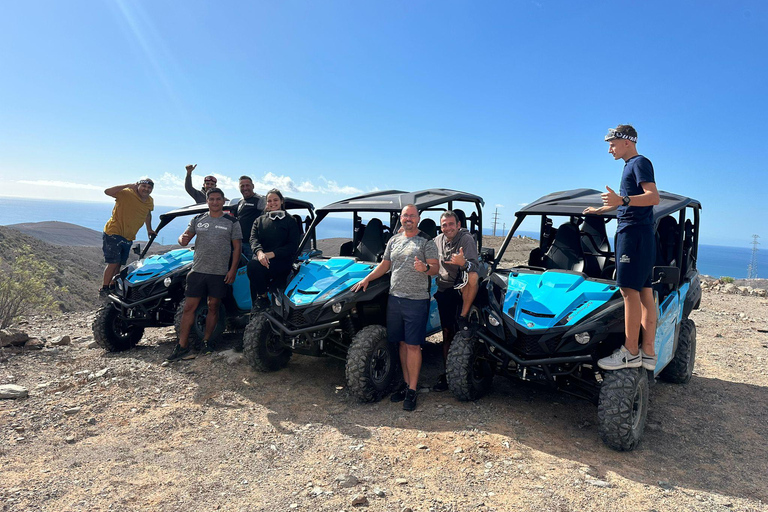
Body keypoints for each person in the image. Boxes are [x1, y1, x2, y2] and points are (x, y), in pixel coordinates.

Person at [583, 124, 660, 371]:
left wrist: (622, 200)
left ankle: (630, 351)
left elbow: (652, 197)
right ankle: (647, 352)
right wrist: (603, 209)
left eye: (612, 144)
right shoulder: (632, 166)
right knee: (645, 292)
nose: (609, 150)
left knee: (629, 292)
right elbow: (630, 203)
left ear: (627, 141)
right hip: (641, 235)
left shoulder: (639, 163)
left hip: (633, 234)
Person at [352, 204, 439, 412]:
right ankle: (405, 384)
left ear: (418, 218)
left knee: (413, 345)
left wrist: (424, 268)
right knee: (400, 343)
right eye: (405, 215)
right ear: (401, 218)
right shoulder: (394, 240)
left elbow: (435, 268)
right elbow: (385, 265)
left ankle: (413, 389)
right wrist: (367, 279)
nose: (408, 218)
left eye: (412, 215)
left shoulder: (426, 241)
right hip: (396, 298)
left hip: (417, 300)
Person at [166, 188, 242, 362]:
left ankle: (207, 341)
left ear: (223, 201)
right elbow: (184, 236)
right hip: (197, 271)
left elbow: (237, 247)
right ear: (207, 201)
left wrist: (232, 270)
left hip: (219, 272)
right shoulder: (198, 219)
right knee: (188, 308)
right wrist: (181, 239)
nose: (215, 202)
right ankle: (182, 346)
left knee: (213, 306)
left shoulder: (232, 221)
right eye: (211, 199)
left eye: (218, 199)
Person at [431, 211, 480, 391]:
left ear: (458, 225)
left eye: (451, 224)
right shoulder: (437, 241)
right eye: (444, 225)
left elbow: (475, 266)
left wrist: (463, 263)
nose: (448, 228)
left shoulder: (466, 239)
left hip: (463, 287)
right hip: (445, 290)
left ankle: (464, 315)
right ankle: (448, 373)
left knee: (462, 333)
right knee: (447, 333)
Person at [247, 189, 300, 312]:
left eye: (275, 200)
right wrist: (259, 253)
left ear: (281, 201)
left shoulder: (290, 221)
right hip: (262, 261)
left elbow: (292, 245)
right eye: (269, 201)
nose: (272, 203)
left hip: (282, 262)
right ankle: (263, 298)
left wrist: (271, 254)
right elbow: (253, 239)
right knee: (252, 266)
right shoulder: (259, 221)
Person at [101, 179, 156, 297]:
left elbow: (147, 214)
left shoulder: (150, 201)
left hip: (128, 236)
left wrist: (149, 229)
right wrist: (127, 185)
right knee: (113, 263)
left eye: (149, 187)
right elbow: (107, 191)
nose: (146, 189)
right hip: (114, 232)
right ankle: (104, 289)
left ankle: (112, 287)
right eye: (144, 186)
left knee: (119, 263)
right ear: (138, 186)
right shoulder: (126, 193)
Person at [235, 175, 265, 259]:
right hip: (239, 242)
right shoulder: (241, 201)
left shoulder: (260, 200)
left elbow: (267, 219)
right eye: (242, 186)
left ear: (253, 186)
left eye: (247, 185)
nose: (245, 188)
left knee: (251, 268)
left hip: (252, 244)